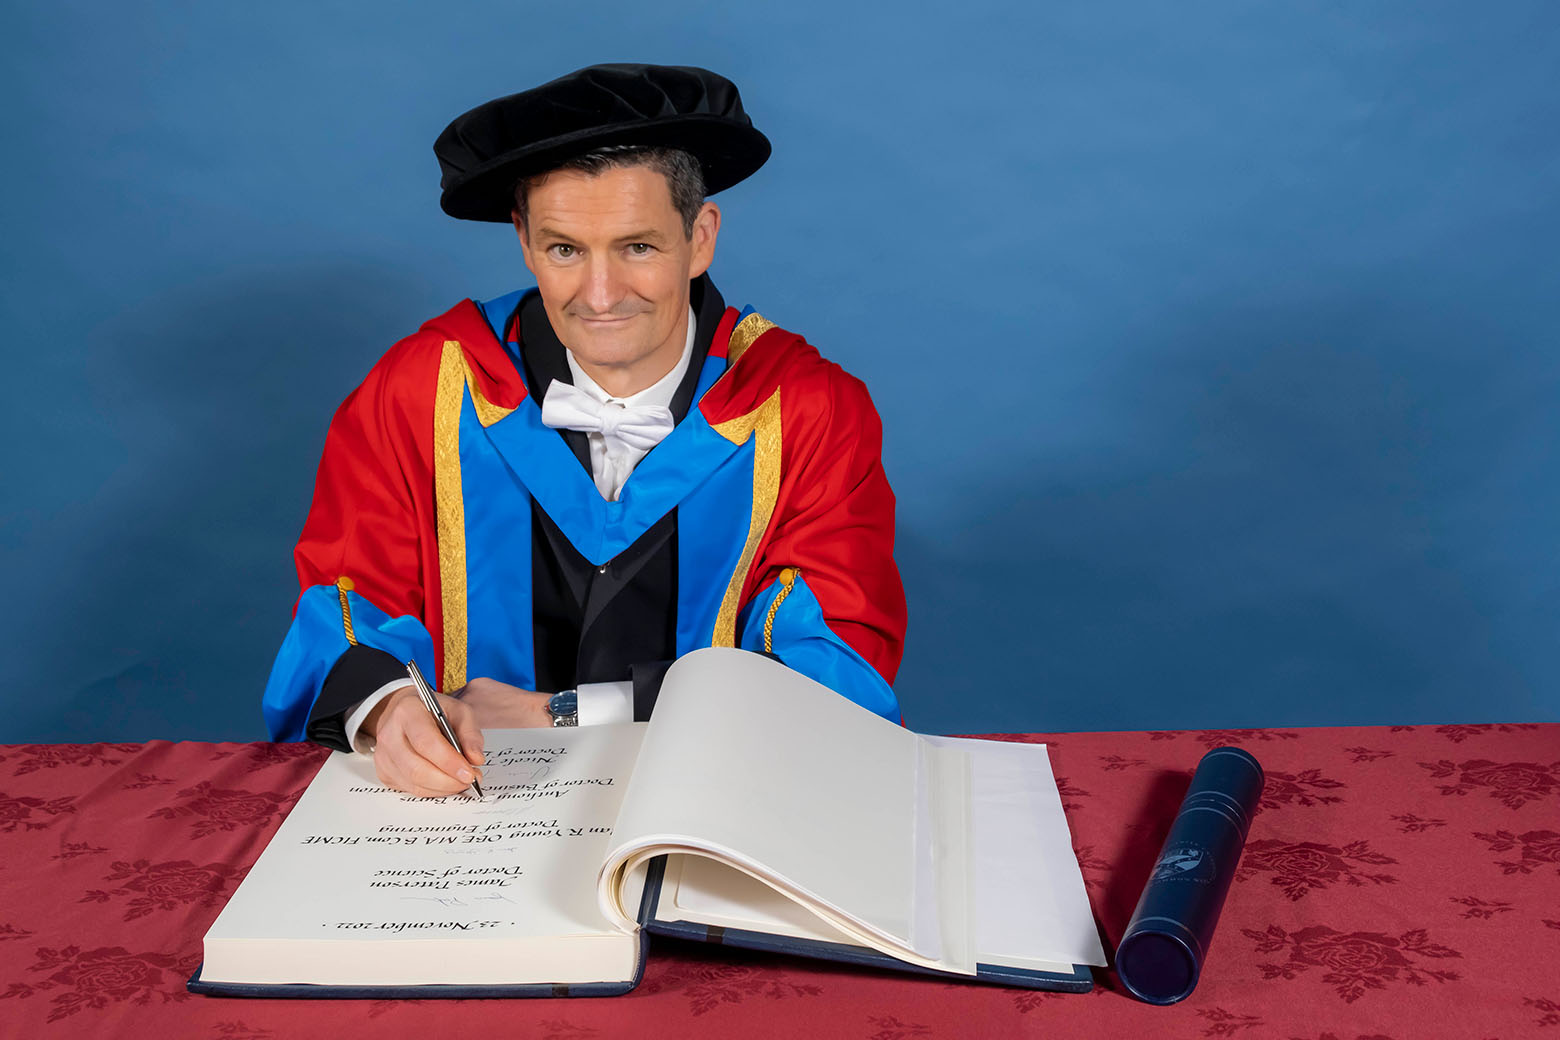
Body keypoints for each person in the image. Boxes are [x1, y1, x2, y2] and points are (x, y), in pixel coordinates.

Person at [261, 64, 906, 796]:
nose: (601, 296)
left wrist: (562, 714)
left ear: (700, 239)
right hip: (463, 821)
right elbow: (345, 599)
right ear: (525, 242)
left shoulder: (806, 410)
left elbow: (832, 665)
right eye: (566, 249)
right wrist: (390, 707)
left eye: (638, 247)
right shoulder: (422, 391)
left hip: (718, 806)